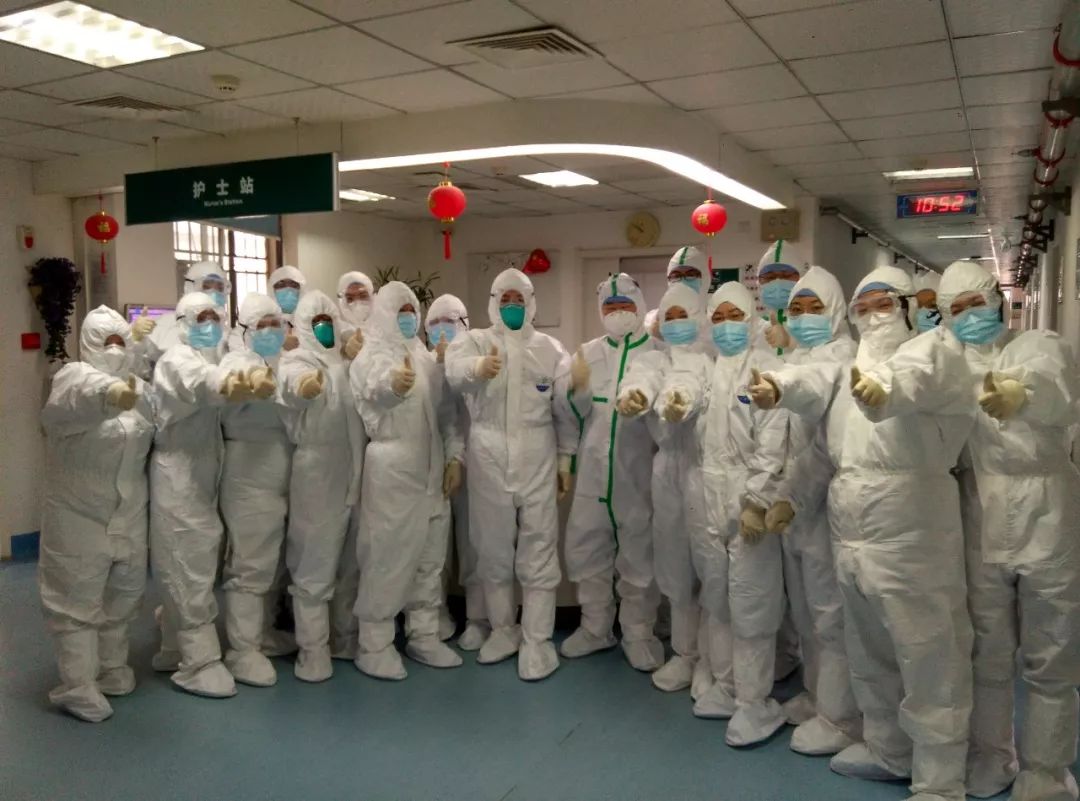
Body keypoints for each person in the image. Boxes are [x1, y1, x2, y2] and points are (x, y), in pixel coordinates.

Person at [752, 265, 975, 801]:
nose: (873, 317)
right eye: (863, 308)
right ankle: (888, 749)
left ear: (907, 308)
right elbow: (822, 443)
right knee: (869, 654)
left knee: (928, 656)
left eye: (884, 304)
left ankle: (940, 779)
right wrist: (779, 390)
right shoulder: (846, 371)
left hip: (913, 536)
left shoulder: (934, 352)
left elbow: (915, 378)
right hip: (852, 538)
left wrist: (883, 391)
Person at [938, 259, 1080, 801]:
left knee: (1052, 649)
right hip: (980, 510)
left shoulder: (1038, 344)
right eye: (955, 310)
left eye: (975, 303)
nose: (968, 316)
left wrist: (1023, 393)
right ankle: (991, 755)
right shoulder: (952, 367)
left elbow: (1055, 381)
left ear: (997, 300)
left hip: (1048, 510)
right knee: (988, 649)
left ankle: (1046, 770)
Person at [662, 282, 790, 746]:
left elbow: (774, 441)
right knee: (716, 595)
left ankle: (755, 702)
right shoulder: (706, 366)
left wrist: (757, 499)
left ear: (751, 319)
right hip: (706, 492)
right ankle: (726, 684)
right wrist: (674, 402)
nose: (726, 326)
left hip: (745, 495)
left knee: (752, 600)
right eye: (718, 318)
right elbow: (682, 387)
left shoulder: (766, 368)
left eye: (735, 316)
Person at [444, 268, 576, 681]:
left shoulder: (551, 349)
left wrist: (565, 461)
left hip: (538, 453)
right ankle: (503, 629)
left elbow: (565, 411)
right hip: (488, 453)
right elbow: (452, 370)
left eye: (520, 300)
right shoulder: (476, 341)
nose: (513, 307)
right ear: (493, 302)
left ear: (532, 303)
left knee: (539, 547)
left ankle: (537, 640)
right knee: (492, 547)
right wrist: (477, 367)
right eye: (506, 300)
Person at [39, 306, 155, 722]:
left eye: (120, 341)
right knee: (76, 597)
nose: (115, 350)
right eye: (106, 342)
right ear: (88, 344)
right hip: (79, 511)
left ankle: (111, 669)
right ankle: (77, 686)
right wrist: (109, 393)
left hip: (128, 510)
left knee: (123, 595)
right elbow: (78, 395)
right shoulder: (73, 377)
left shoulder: (138, 389)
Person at [769, 266, 862, 755]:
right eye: (797, 309)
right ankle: (816, 694)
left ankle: (842, 718)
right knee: (807, 611)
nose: (804, 317)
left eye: (815, 308)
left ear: (838, 311)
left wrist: (794, 495)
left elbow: (824, 449)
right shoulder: (798, 356)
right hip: (797, 504)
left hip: (825, 505)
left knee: (832, 616)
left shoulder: (844, 359)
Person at [350, 282, 465, 679]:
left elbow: (447, 414)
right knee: (386, 558)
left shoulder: (425, 358)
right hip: (392, 469)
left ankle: (424, 635)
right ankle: (374, 644)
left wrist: (454, 457)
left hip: (432, 473)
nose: (407, 318)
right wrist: (392, 388)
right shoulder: (369, 357)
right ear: (383, 313)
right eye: (399, 310)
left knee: (429, 562)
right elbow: (372, 392)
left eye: (411, 310)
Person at [561, 274, 663, 671]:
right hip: (593, 474)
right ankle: (595, 628)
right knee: (588, 550)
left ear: (639, 307)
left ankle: (638, 633)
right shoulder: (587, 353)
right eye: (610, 306)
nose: (617, 312)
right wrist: (575, 391)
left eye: (625, 305)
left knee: (639, 557)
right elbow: (571, 417)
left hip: (638, 475)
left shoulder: (657, 352)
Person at [150, 291, 249, 698]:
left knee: (194, 557)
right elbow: (198, 382)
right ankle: (199, 663)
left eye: (214, 317)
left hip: (199, 473)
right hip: (178, 473)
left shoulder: (207, 357)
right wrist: (228, 382)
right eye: (201, 317)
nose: (209, 324)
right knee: (187, 561)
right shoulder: (176, 358)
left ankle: (173, 646)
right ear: (183, 323)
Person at [616, 283, 709, 694]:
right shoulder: (654, 359)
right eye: (668, 317)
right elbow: (642, 378)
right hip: (668, 468)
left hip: (709, 470)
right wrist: (634, 396)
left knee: (714, 571)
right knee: (675, 567)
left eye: (682, 315)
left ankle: (714, 661)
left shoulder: (714, 358)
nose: (675, 324)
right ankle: (685, 655)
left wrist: (684, 399)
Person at [278, 291, 364, 682]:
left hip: (353, 469)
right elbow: (289, 386)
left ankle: (345, 638)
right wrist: (303, 388)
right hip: (316, 471)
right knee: (314, 561)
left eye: (329, 319)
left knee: (349, 562)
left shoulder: (344, 362)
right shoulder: (297, 360)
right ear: (303, 326)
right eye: (317, 322)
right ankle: (313, 650)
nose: (325, 327)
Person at [217, 293, 290, 687]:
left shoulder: (284, 361)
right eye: (261, 325)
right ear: (244, 330)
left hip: (281, 466)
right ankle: (242, 650)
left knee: (274, 560)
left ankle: (262, 633)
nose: (269, 332)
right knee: (250, 561)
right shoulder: (237, 361)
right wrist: (246, 388)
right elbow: (226, 392)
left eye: (275, 324)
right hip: (248, 468)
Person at [425, 293, 489, 649]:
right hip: (426, 465)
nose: (442, 331)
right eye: (434, 324)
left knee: (473, 541)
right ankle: (434, 613)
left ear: (465, 324)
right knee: (433, 547)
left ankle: (478, 618)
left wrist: (458, 458)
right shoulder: (421, 363)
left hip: (475, 463)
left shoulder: (477, 360)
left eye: (449, 322)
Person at [328, 272, 371, 660]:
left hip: (380, 462)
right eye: (350, 296)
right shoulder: (331, 342)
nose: (358, 301)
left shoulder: (386, 336)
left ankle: (368, 631)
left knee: (370, 552)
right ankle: (342, 634)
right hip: (338, 463)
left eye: (364, 294)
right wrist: (344, 351)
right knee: (341, 555)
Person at [145, 261, 230, 363]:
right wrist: (135, 339)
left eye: (220, 288)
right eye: (206, 287)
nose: (214, 293)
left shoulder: (227, 335)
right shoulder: (163, 327)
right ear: (189, 287)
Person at [757, 240, 810, 357]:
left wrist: (790, 343)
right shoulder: (755, 329)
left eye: (786, 276)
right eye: (770, 277)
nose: (777, 282)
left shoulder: (815, 325)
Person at [337, 270, 375, 338]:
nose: (357, 303)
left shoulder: (387, 326)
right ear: (342, 303)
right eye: (350, 298)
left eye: (363, 296)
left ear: (372, 297)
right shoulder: (338, 334)